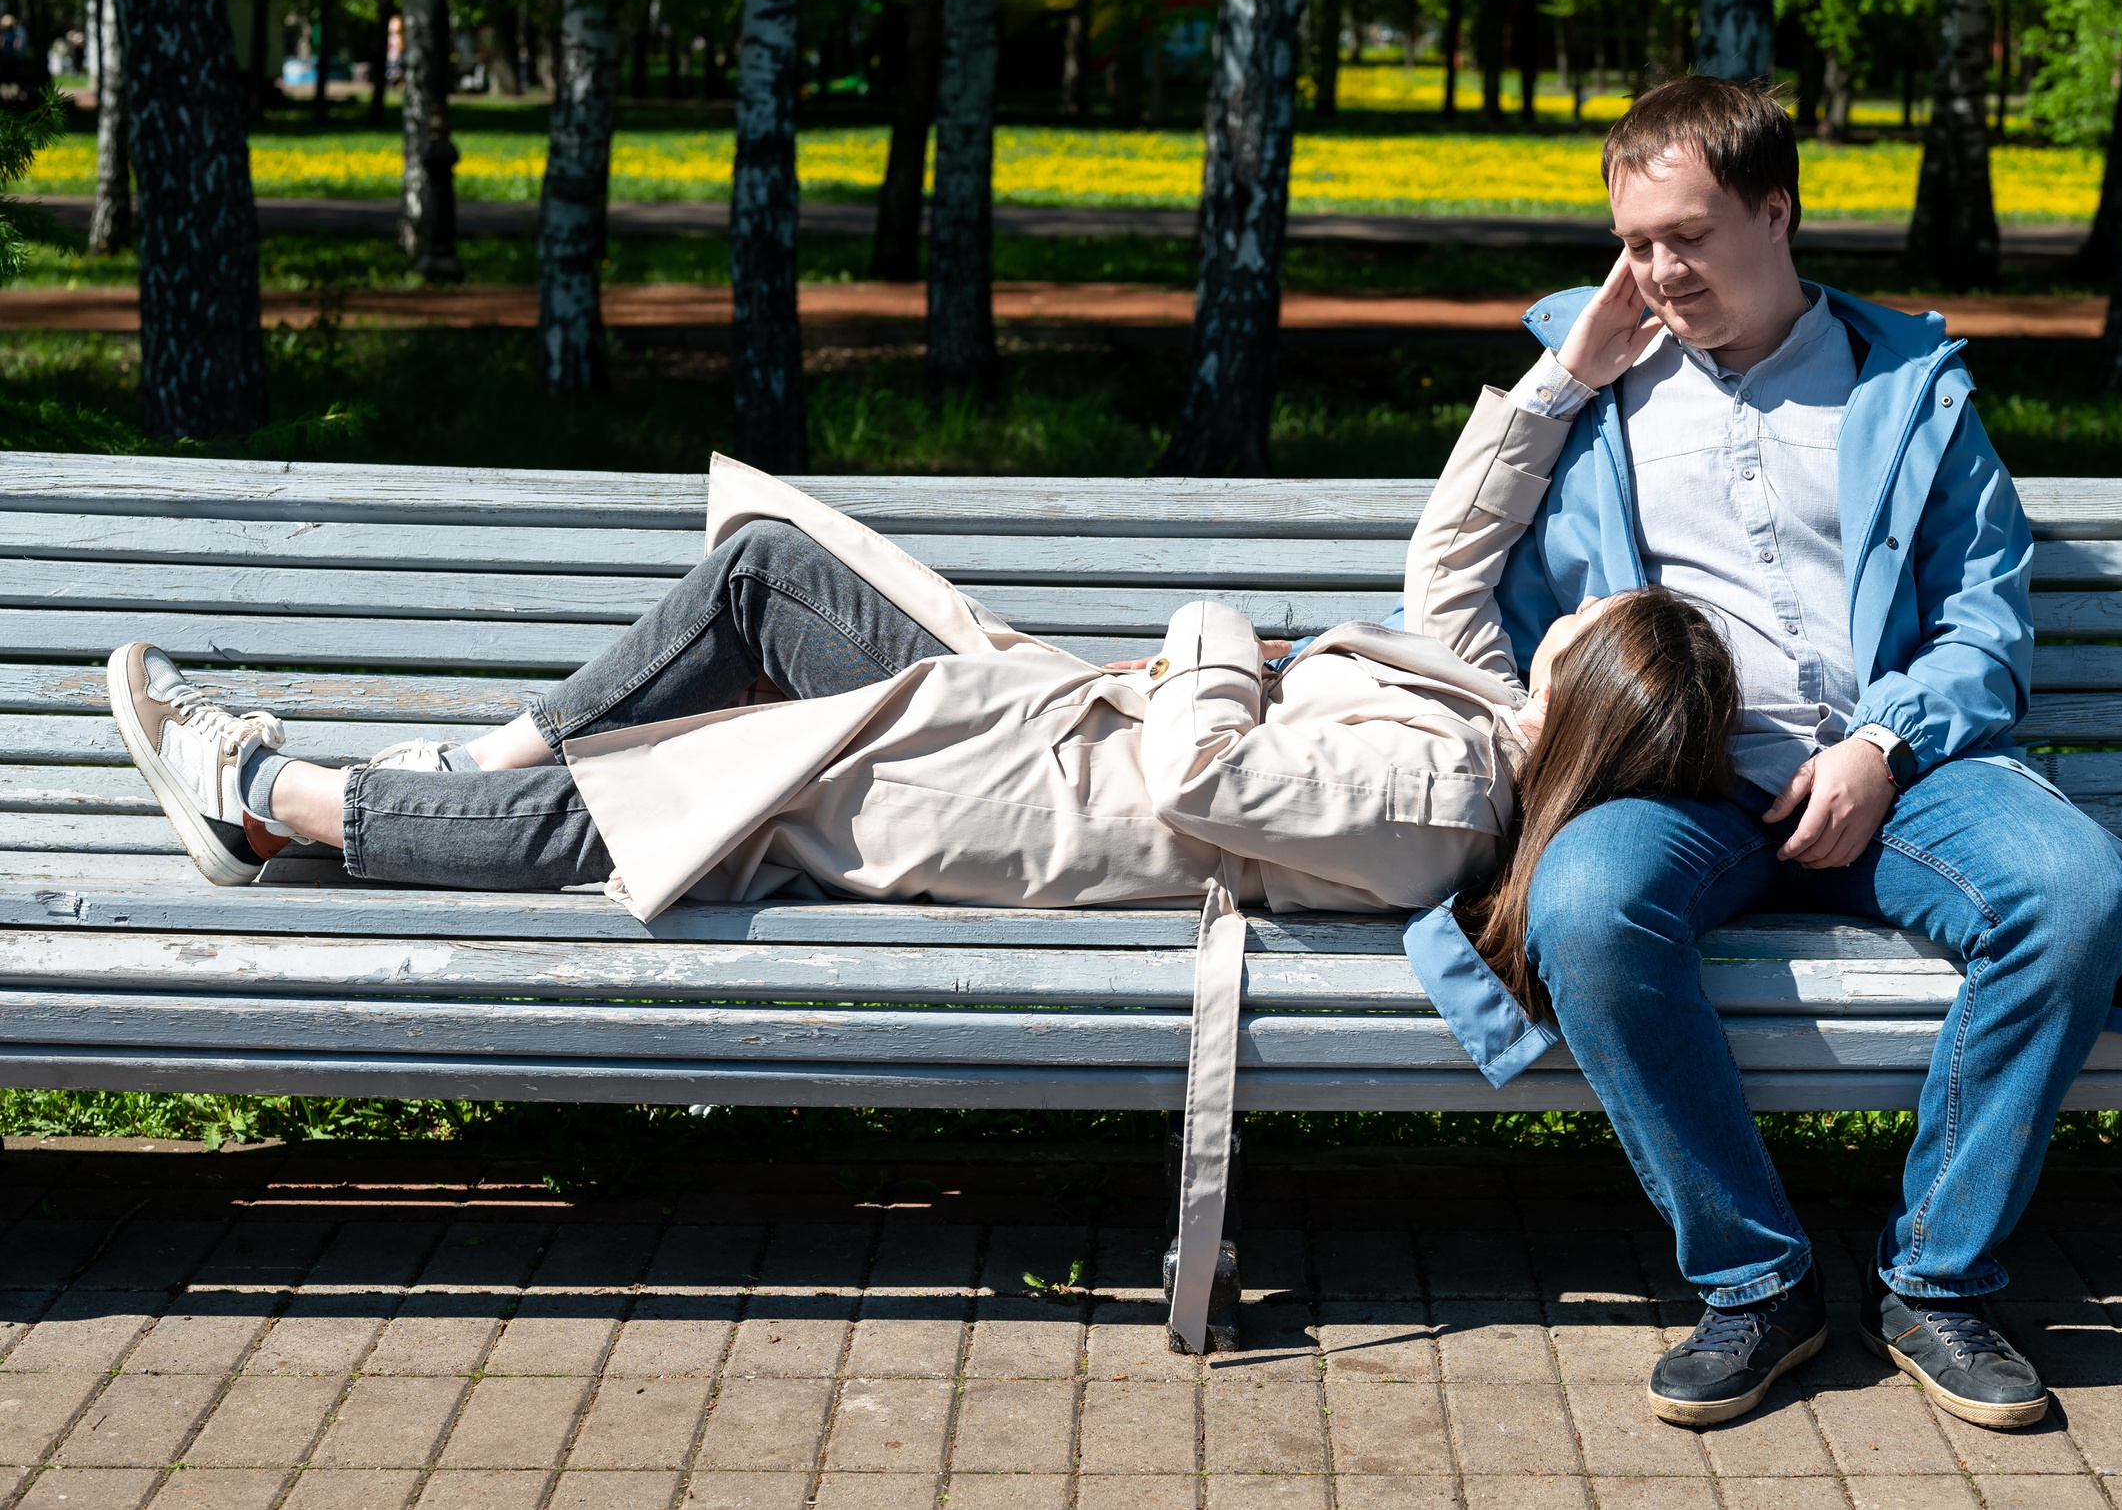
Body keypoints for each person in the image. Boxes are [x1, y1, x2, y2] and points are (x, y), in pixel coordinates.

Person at [1398, 74, 2122, 1433]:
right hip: (1681, 788)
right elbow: (1444, 579)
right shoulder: (1597, 397)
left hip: (1902, 773)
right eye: (1634, 241)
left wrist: (1881, 742)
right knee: (1581, 900)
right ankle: (1754, 1280)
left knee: (2073, 891)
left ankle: (1939, 1280)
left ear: (1778, 212)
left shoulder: (1905, 386)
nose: (1658, 270)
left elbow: (1986, 620)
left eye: (1688, 234)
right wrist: (1565, 374)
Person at [108, 455, 1726, 932]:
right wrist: (1561, 377)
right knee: (761, 569)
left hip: (1014, 795)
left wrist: (1221, 630)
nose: (1572, 604)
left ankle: (270, 805)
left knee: (675, 805)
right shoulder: (1487, 710)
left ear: (1599, 701)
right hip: (1037, 716)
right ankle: (468, 752)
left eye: (1606, 615)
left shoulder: (1447, 802)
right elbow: (1453, 555)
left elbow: (1206, 785)